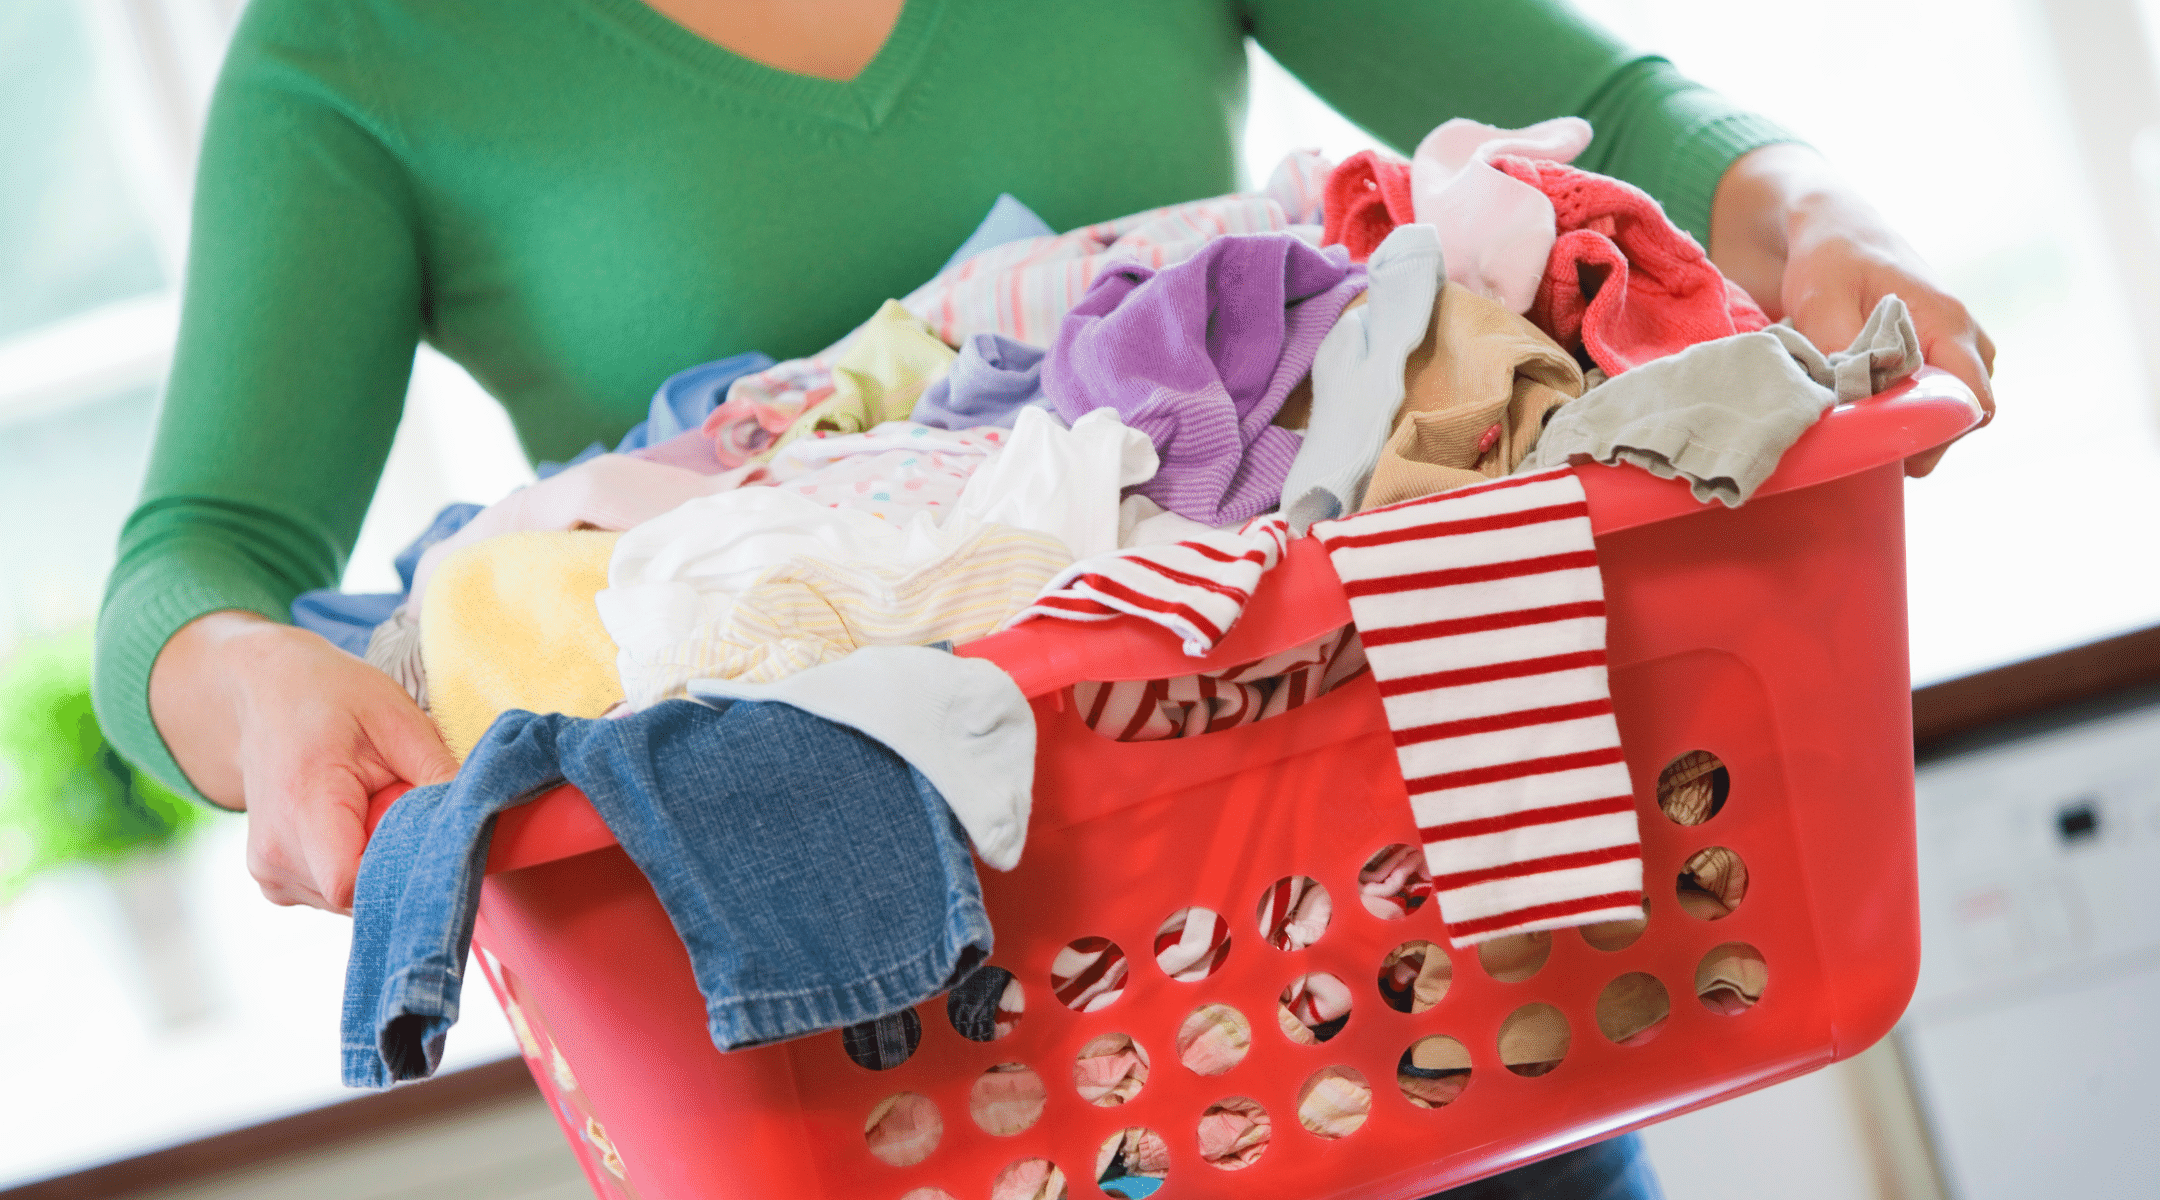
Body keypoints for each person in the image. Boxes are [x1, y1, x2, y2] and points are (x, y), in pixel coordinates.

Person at [95, 2, 1991, 1193]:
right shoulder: (358, 49)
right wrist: (245, 673)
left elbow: (1597, 106)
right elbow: (193, 555)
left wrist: (1834, 234)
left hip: (1379, 979)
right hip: (904, 1089)